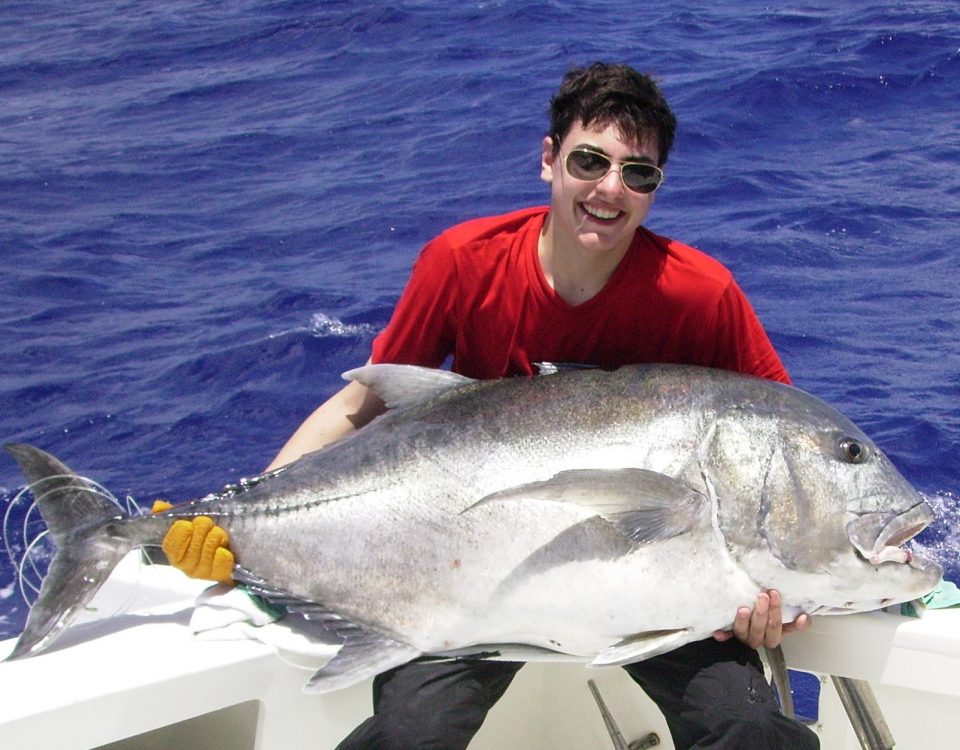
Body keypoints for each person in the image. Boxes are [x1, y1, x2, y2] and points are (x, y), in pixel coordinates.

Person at [164, 62, 819, 749]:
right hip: (465, 583)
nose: (609, 189)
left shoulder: (699, 295)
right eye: (589, 160)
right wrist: (230, 517)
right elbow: (360, 408)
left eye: (638, 174)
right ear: (549, 160)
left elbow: (782, 445)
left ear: (656, 187)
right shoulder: (462, 262)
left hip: (661, 593)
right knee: (411, 734)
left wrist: (792, 587)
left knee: (748, 729)